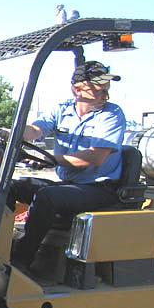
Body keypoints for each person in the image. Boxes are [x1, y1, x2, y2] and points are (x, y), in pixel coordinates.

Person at [10, 61, 126, 268]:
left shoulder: (111, 115)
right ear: (77, 88)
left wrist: (50, 160)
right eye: (99, 90)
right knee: (11, 187)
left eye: (106, 90)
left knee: (46, 197)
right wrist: (15, 134)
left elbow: (93, 157)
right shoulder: (62, 110)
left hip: (99, 189)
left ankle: (21, 260)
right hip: (70, 186)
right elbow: (36, 130)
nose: (105, 96)